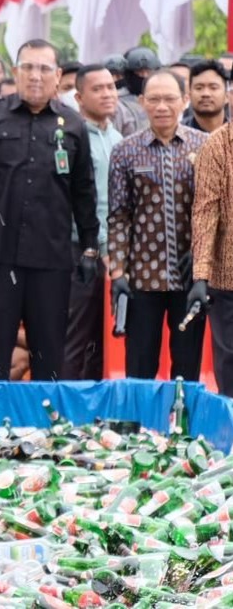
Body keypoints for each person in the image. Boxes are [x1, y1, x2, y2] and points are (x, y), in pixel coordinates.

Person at [0, 39, 99, 381]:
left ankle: (44, 429)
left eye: (44, 68)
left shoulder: (73, 125)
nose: (35, 76)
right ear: (15, 72)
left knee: (48, 353)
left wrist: (90, 247)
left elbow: (84, 191)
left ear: (58, 75)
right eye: (28, 67)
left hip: (52, 258)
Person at [108, 70, 208, 382]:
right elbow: (118, 216)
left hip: (191, 279)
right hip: (142, 278)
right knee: (139, 365)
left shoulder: (206, 147)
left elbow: (214, 212)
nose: (162, 106)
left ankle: (185, 430)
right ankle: (138, 428)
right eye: (154, 99)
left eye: (169, 99)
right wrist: (117, 273)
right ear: (141, 102)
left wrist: (205, 269)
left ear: (184, 101)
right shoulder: (125, 150)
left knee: (187, 367)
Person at [63, 64, 122, 380]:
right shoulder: (71, 137)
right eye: (97, 89)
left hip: (117, 256)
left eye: (111, 87)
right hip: (80, 252)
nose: (107, 94)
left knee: (108, 341)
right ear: (79, 96)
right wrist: (95, 246)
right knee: (75, 337)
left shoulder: (118, 137)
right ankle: (65, 417)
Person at [191, 113, 233, 397]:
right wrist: (200, 275)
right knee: (230, 360)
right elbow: (206, 213)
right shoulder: (217, 146)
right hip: (227, 280)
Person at [112, 46, 157, 137]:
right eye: (139, 72)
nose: (144, 76)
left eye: (148, 71)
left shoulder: (163, 98)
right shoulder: (117, 102)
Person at [183, 59, 229, 133]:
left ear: (227, 95)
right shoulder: (177, 136)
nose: (206, 94)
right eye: (199, 88)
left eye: (213, 88)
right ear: (190, 94)